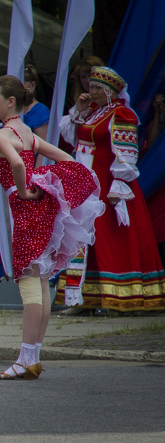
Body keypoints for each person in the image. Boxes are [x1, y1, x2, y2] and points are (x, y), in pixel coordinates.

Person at [0, 75, 103, 380]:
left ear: (10, 102)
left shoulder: (1, 135)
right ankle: (32, 356)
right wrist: (52, 182)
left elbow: (19, 165)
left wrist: (24, 189)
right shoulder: (27, 133)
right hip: (42, 208)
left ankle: (26, 358)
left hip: (26, 208)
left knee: (29, 280)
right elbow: (65, 158)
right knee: (40, 280)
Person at [57, 67, 165, 312]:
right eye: (91, 86)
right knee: (83, 237)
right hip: (85, 185)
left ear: (110, 91)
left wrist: (119, 184)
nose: (92, 91)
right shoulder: (92, 112)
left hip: (108, 185)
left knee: (110, 237)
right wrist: (79, 111)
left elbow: (127, 154)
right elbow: (70, 140)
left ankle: (116, 297)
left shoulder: (122, 114)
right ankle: (83, 297)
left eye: (97, 88)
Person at [21, 64, 51, 141]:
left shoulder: (41, 111)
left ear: (32, 85)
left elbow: (44, 147)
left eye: (21, 84)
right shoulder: (13, 107)